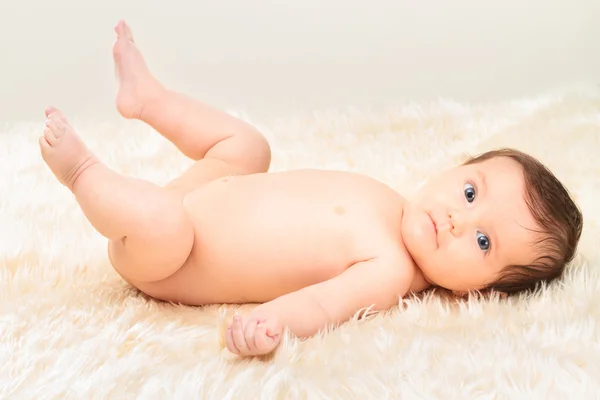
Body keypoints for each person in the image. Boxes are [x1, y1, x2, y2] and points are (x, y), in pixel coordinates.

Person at [39, 21, 583, 357]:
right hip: (205, 191)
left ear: (481, 292)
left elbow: (325, 304)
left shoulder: (392, 270)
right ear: (456, 168)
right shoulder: (395, 206)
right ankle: (148, 100)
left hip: (166, 254)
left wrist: (270, 323)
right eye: (470, 192)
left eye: (483, 244)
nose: (460, 221)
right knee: (250, 147)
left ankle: (81, 172)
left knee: (164, 219)